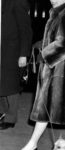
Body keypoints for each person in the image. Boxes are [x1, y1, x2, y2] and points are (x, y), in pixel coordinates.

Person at [21, 0, 65, 149]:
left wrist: (44, 55)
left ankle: (32, 144)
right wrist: (43, 44)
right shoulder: (58, 13)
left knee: (45, 107)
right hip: (62, 71)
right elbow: (58, 39)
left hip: (61, 73)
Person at [0, 0, 32, 129]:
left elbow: (26, 30)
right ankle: (2, 112)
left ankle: (10, 119)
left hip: (12, 52)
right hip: (1, 50)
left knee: (11, 85)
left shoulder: (17, 2)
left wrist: (24, 54)